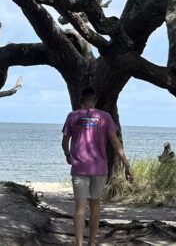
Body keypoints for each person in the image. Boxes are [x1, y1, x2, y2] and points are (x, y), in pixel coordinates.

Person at [62, 86, 133, 246]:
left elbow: (64, 142)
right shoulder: (105, 117)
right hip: (99, 169)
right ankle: (92, 242)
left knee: (80, 207)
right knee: (95, 204)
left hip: (79, 168)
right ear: (94, 100)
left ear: (81, 100)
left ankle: (79, 243)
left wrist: (68, 155)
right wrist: (126, 165)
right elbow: (116, 143)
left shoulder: (72, 116)